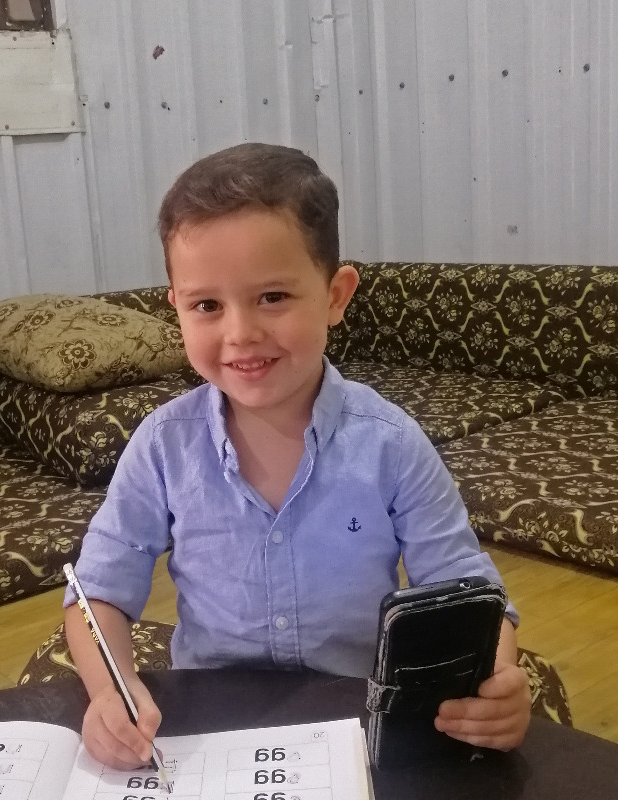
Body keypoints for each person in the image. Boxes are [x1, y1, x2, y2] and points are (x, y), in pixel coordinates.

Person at [63, 142, 531, 770]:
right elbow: (98, 595)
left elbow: (467, 590)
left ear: (336, 295)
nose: (240, 333)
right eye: (207, 305)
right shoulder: (163, 445)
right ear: (174, 304)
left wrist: (498, 680)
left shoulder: (390, 444)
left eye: (273, 297)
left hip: (359, 720)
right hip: (207, 728)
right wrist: (109, 693)